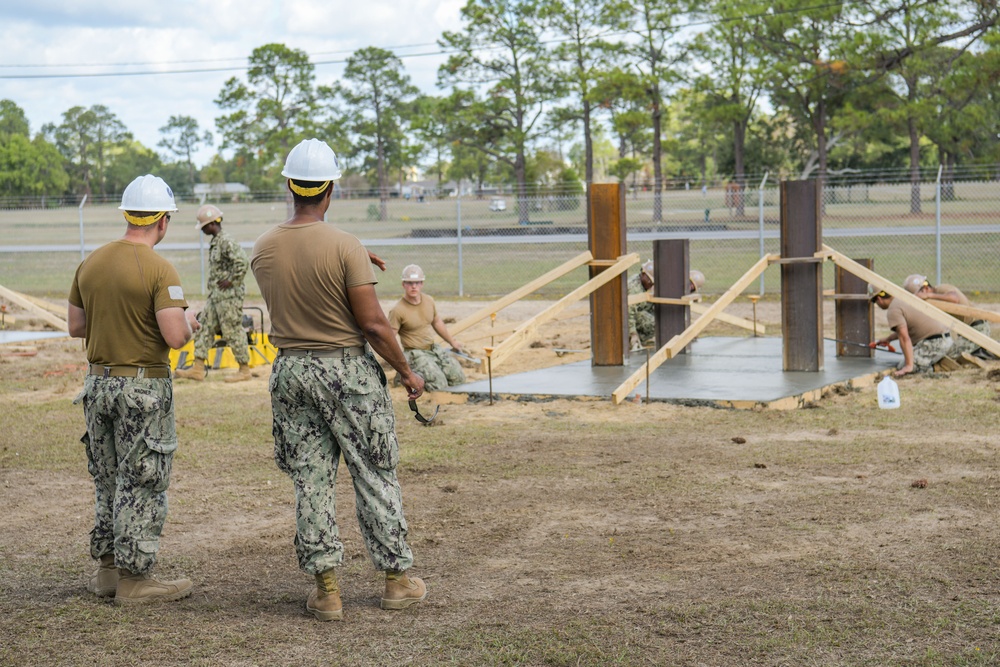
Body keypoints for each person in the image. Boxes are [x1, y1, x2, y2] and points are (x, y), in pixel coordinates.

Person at [250, 138, 428, 622]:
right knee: (373, 470)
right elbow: (372, 323)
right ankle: (396, 581)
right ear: (331, 189)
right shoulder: (345, 245)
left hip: (291, 370)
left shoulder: (263, 247)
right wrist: (406, 371)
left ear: (290, 186)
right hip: (346, 370)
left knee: (310, 478)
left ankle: (326, 589)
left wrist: (347, 253)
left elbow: (302, 262)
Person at [67, 174, 200, 605]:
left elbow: (76, 326)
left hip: (97, 385)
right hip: (141, 389)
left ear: (127, 215)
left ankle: (108, 569)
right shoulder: (160, 268)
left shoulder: (91, 262)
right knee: (142, 480)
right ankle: (135, 578)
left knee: (107, 477)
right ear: (162, 220)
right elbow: (176, 337)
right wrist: (191, 321)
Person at [174, 204, 251, 382]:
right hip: (216, 297)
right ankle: (198, 369)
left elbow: (242, 261)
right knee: (204, 327)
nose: (202, 231)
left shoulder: (226, 241)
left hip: (229, 298)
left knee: (232, 330)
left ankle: (244, 369)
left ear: (212, 225)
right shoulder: (217, 241)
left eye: (203, 227)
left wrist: (232, 280)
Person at [387, 264, 466, 391]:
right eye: (409, 283)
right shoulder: (397, 310)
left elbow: (437, 322)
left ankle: (426, 371)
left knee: (458, 378)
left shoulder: (429, 301)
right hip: (414, 353)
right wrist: (399, 363)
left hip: (432, 349)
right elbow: (389, 337)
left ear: (422, 284)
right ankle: (409, 377)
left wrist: (453, 342)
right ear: (403, 284)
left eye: (417, 283)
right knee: (439, 385)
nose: (414, 286)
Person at [903, 274, 994, 359]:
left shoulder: (942, 289)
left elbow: (954, 298)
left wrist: (929, 295)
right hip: (967, 333)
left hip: (977, 329)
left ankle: (983, 352)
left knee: (945, 355)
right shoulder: (933, 303)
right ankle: (979, 351)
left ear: (925, 289)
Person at [870, 284, 954, 377]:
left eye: (874, 301)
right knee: (909, 359)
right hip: (946, 339)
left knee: (902, 365)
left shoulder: (893, 310)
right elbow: (908, 329)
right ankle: (935, 360)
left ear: (879, 298)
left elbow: (904, 337)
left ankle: (937, 367)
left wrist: (909, 366)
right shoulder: (903, 298)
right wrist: (888, 339)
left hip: (935, 343)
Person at [627, 260, 655, 349]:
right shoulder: (634, 288)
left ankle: (640, 340)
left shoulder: (644, 285)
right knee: (653, 323)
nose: (651, 284)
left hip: (637, 314)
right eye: (650, 281)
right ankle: (633, 341)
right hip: (627, 318)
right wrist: (633, 333)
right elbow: (629, 312)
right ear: (643, 274)